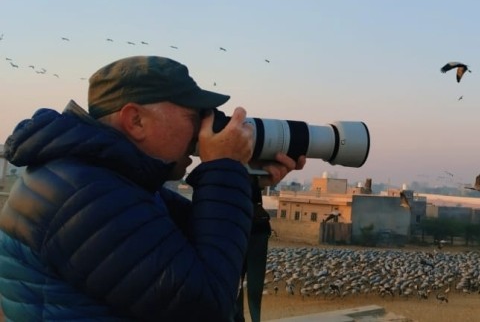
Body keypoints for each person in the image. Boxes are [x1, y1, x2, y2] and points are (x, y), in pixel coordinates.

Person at [0, 56, 306, 321]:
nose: (202, 131)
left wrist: (242, 182)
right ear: (135, 120)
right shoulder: (84, 195)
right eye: (194, 116)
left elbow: (204, 248)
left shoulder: (100, 180)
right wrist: (225, 171)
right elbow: (205, 304)